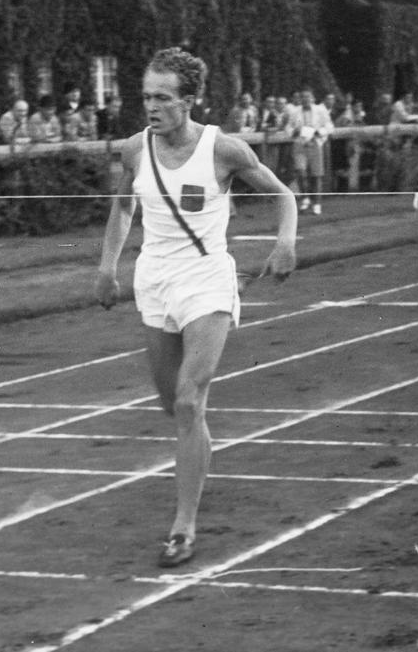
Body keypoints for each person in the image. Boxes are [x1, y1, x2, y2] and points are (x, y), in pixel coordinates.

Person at [93, 47, 297, 569]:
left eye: (163, 97)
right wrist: (107, 267)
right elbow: (123, 206)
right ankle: (198, 452)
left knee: (188, 402)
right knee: (174, 405)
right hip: (154, 280)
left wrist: (284, 242)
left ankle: (183, 526)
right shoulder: (136, 149)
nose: (151, 106)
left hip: (206, 279)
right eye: (146, 96)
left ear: (189, 100)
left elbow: (283, 195)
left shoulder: (222, 149)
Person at [285, 88, 333, 214]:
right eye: (303, 97)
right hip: (300, 144)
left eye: (308, 97)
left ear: (313, 98)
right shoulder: (295, 111)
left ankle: (317, 203)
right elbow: (288, 127)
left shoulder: (320, 110)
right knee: (300, 171)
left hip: (315, 143)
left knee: (316, 175)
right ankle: (305, 198)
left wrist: (319, 132)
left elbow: (329, 126)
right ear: (300, 99)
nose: (305, 99)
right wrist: (293, 132)